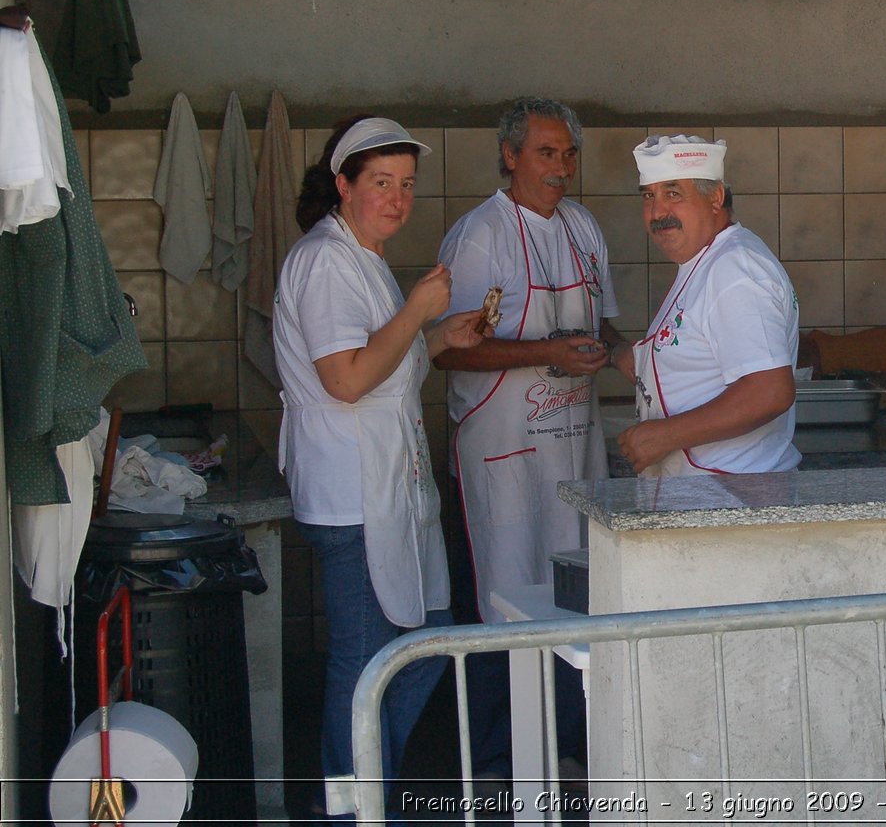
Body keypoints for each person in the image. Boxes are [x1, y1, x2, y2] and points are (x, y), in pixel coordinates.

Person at [273, 116, 484, 806]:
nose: (396, 199)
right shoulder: (325, 262)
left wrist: (436, 332)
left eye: (406, 185)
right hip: (351, 495)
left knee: (424, 645)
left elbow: (383, 357)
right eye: (381, 184)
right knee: (364, 666)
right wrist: (420, 306)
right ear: (343, 185)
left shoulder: (363, 259)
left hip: (387, 491)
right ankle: (353, 808)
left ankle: (370, 790)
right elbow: (346, 379)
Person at [433, 98, 622, 776]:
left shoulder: (583, 228)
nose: (561, 168)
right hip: (504, 456)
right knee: (504, 595)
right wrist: (548, 353)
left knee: (576, 592)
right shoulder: (479, 236)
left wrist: (621, 354)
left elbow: (606, 326)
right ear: (510, 155)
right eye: (546, 153)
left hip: (573, 446)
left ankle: (568, 747)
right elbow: (451, 351)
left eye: (568, 153)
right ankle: (495, 759)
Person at [612, 135, 800, 475]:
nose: (657, 213)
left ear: (715, 197)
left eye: (673, 193)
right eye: (648, 196)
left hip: (734, 499)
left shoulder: (734, 268)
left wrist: (663, 436)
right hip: (711, 497)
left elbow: (769, 391)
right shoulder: (706, 262)